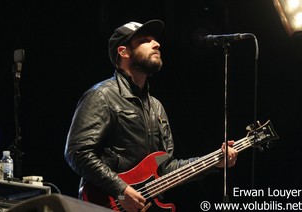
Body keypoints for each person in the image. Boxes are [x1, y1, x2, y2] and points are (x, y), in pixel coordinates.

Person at [64, 19, 238, 212]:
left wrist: (215, 162)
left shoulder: (156, 107)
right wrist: (121, 190)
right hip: (105, 205)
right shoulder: (102, 95)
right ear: (123, 51)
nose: (157, 44)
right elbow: (78, 153)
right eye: (145, 40)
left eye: (155, 39)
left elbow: (166, 168)